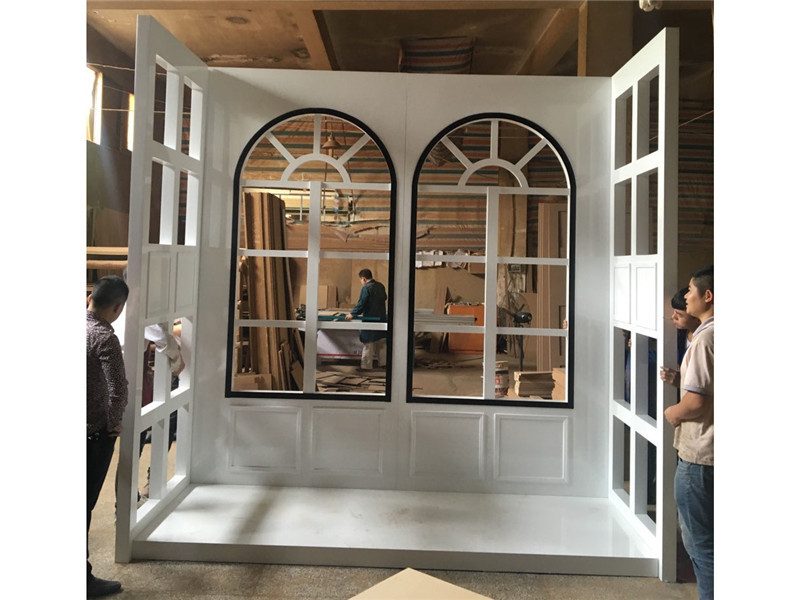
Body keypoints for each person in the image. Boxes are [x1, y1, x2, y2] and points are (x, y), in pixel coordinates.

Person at [664, 265, 714, 600]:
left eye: (690, 291)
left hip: (700, 456)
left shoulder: (705, 339)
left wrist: (672, 413)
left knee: (701, 546)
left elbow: (696, 403)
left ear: (707, 296)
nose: (685, 296)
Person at [87, 275, 129, 597]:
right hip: (93, 435)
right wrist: (114, 426)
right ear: (117, 308)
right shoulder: (105, 338)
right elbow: (118, 390)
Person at [345, 268, 388, 370]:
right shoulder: (380, 286)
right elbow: (385, 298)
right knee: (381, 343)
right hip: (381, 318)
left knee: (369, 344)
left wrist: (352, 314)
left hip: (370, 319)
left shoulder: (366, 288)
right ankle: (384, 364)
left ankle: (366, 366)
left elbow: (361, 303)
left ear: (363, 279)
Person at [659, 287, 701, 388]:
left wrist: (683, 382)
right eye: (674, 312)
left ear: (697, 319)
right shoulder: (679, 334)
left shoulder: (705, 341)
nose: (673, 317)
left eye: (679, 315)